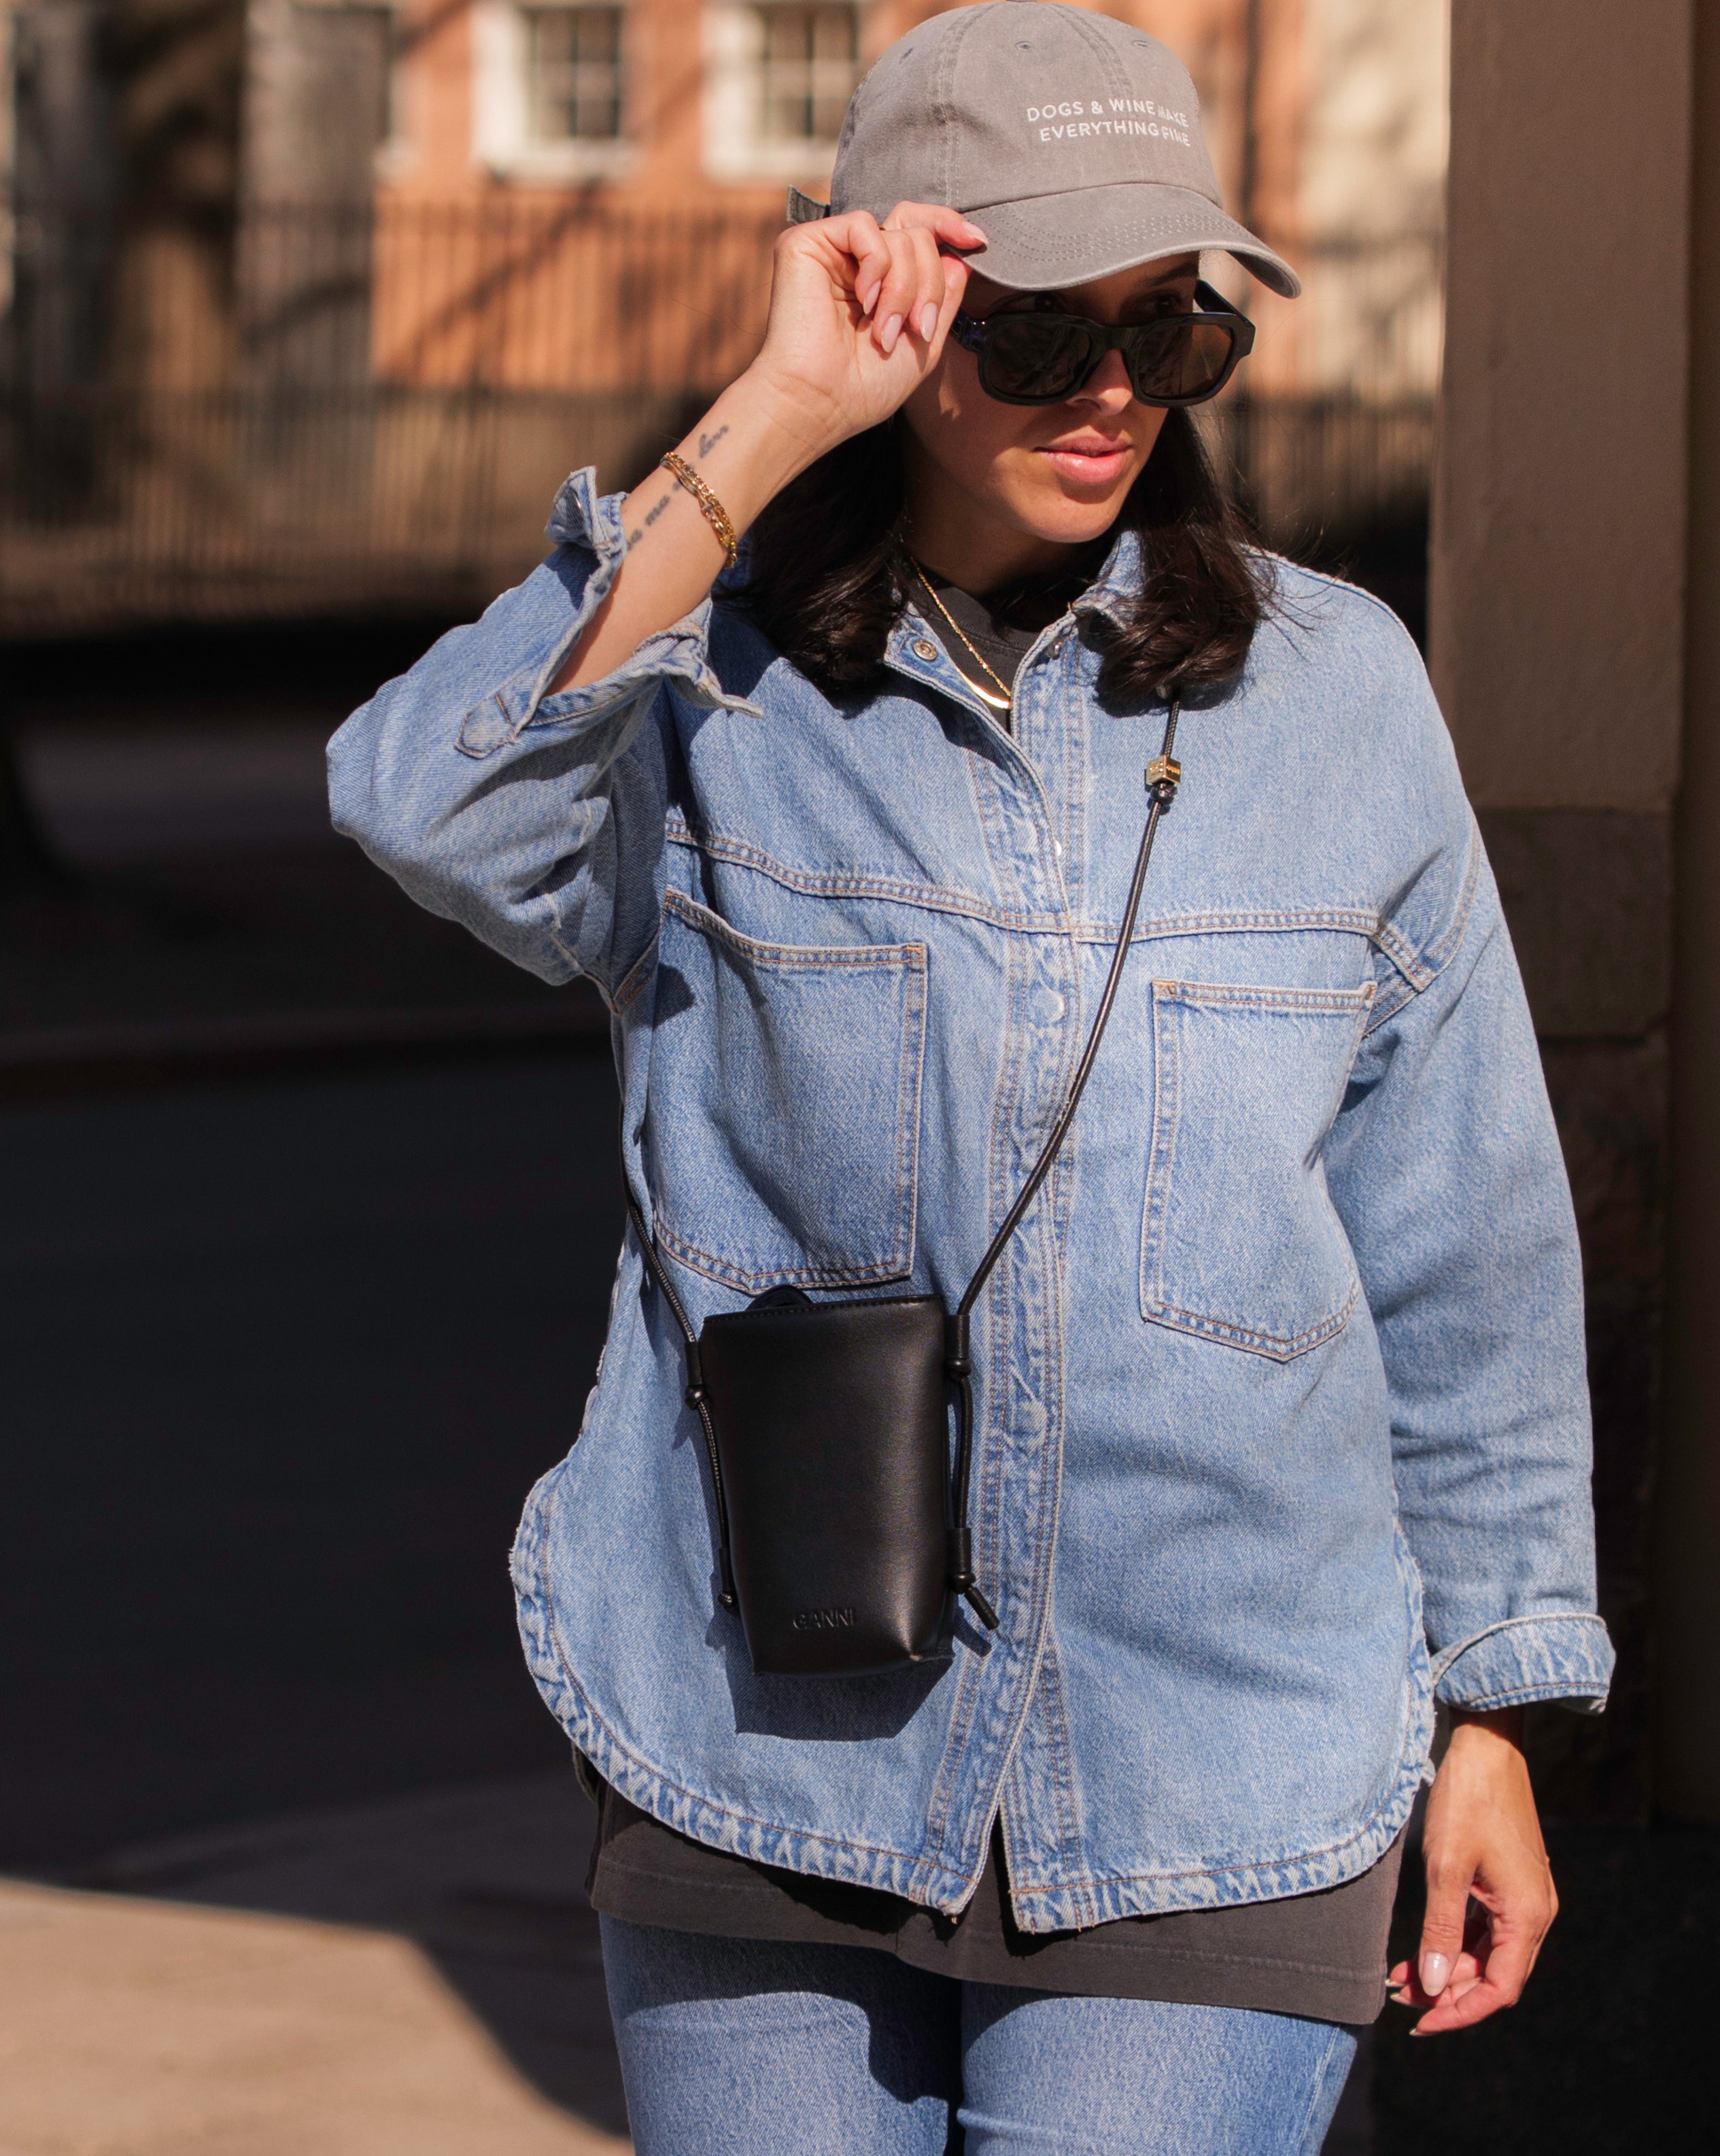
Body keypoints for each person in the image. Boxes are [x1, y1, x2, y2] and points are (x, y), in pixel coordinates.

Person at [329, 5, 1611, 2149]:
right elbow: (427, 810)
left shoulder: (1335, 695)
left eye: (1162, 330)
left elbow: (1461, 1233)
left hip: (1222, 1763)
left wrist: (1489, 1708)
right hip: (767, 1735)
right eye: (1029, 333)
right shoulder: (712, 679)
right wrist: (758, 418)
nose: (1107, 391)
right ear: (894, 302)